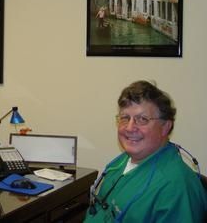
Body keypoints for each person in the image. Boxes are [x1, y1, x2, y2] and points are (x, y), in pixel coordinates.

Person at [84, 80, 207, 222]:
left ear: (165, 127)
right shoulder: (120, 163)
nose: (130, 128)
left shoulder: (176, 188)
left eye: (142, 119)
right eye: (125, 118)